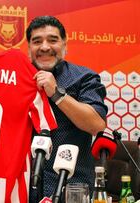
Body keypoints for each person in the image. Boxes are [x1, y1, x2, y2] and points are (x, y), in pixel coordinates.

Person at [26, 16, 108, 201]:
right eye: (37, 41)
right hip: (22, 187)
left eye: (53, 40)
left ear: (65, 45)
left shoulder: (84, 77)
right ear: (29, 48)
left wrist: (57, 94)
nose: (45, 47)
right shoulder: (15, 78)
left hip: (72, 188)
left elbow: (97, 124)